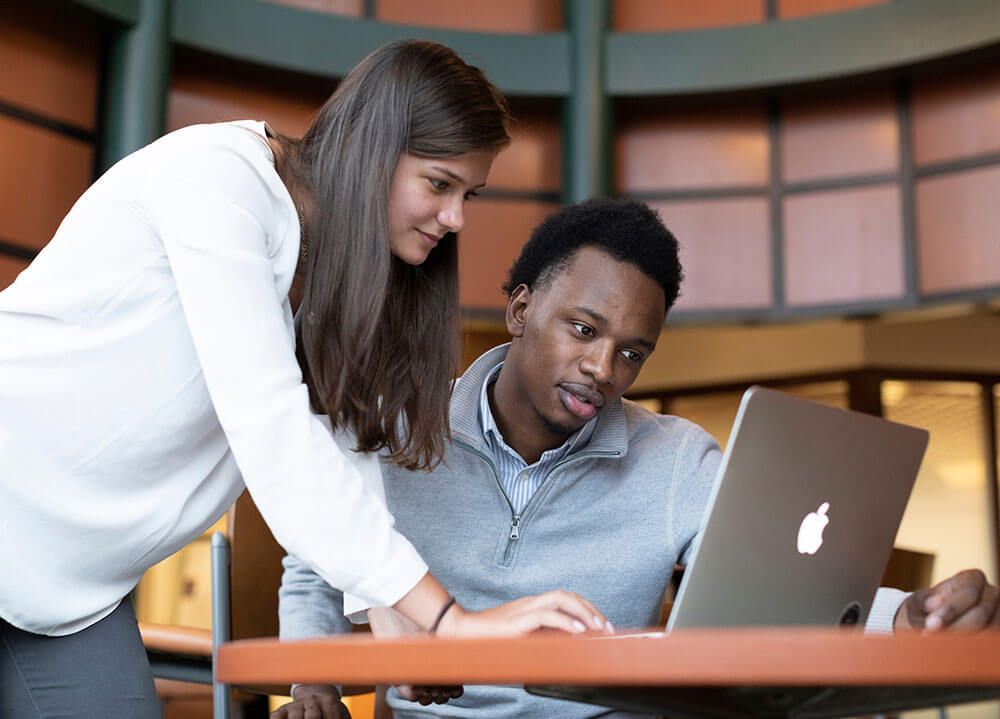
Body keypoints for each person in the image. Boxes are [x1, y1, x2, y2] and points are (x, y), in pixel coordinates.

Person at [0, 40, 609, 718]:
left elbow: (344, 461)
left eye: (469, 193)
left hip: (70, 589)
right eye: (439, 184)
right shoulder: (218, 183)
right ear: (371, 148)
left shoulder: (339, 280)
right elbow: (272, 430)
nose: (456, 218)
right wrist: (448, 620)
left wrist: (392, 619)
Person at [275, 197, 1000, 719]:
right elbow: (316, 565)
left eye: (632, 351)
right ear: (521, 308)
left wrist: (912, 619)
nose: (602, 367)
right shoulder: (397, 430)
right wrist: (315, 685)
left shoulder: (678, 459)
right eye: (584, 329)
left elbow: (787, 586)